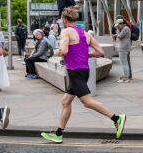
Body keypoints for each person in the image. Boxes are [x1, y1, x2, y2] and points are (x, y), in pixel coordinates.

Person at [41, 7, 127, 143]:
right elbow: (99, 51)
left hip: (74, 71)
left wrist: (56, 52)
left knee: (87, 102)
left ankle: (117, 118)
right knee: (65, 101)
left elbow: (63, 50)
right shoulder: (85, 33)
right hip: (84, 70)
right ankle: (59, 133)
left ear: (64, 20)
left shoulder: (66, 32)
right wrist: (86, 54)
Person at [114, 18, 132, 83]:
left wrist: (117, 30)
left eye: (118, 25)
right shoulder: (126, 28)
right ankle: (126, 77)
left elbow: (120, 36)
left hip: (123, 47)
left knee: (124, 63)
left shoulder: (125, 29)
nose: (117, 26)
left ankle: (126, 78)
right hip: (125, 47)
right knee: (125, 63)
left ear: (121, 24)